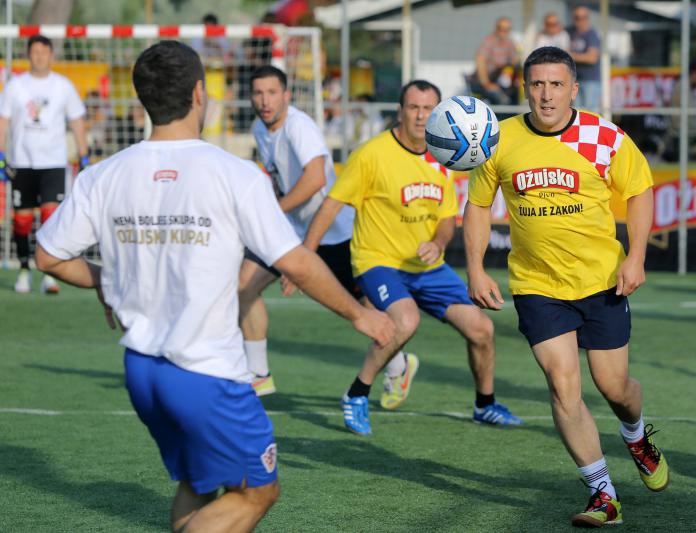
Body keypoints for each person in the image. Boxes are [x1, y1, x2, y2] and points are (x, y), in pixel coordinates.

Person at [34, 41, 393, 532]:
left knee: (198, 483)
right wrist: (362, 314)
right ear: (199, 93)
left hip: (141, 371)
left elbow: (48, 256)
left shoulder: (103, 175)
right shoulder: (234, 174)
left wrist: (105, 282)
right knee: (257, 492)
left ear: (144, 98)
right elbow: (298, 263)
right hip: (206, 374)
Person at [463, 47, 668, 527]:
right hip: (537, 284)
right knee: (562, 384)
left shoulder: (603, 136)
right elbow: (477, 205)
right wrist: (474, 268)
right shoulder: (499, 139)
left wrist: (636, 256)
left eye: (556, 84)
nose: (546, 94)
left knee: (614, 387)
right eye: (537, 84)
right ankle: (603, 495)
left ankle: (636, 435)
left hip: (602, 282)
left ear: (574, 89)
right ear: (525, 88)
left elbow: (639, 191)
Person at [304, 79, 522, 436]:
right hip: (378, 262)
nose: (421, 116)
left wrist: (438, 243)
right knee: (405, 321)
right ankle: (357, 393)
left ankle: (485, 405)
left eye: (428, 109)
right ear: (401, 111)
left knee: (482, 329)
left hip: (427, 267)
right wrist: (306, 256)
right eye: (414, 107)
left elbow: (447, 221)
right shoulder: (372, 154)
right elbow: (331, 205)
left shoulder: (445, 155)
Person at [240, 65, 407, 398]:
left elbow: (315, 178)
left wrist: (276, 210)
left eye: (272, 92)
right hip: (288, 230)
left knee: (357, 307)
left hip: (333, 230)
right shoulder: (260, 127)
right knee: (243, 286)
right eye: (258, 93)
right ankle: (258, 374)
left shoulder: (299, 127)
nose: (265, 100)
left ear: (287, 95)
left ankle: (398, 364)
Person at [0, 34, 89, 294]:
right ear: (29, 55)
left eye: (43, 52)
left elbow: (77, 121)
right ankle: (25, 270)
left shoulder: (63, 86)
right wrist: (1, 154)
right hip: (22, 163)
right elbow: (3, 122)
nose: (39, 56)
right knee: (22, 221)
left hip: (53, 163)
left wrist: (83, 155)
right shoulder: (15, 86)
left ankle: (48, 272)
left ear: (51, 55)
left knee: (51, 217)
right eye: (35, 52)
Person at [469, 17, 521, 106]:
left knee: (516, 94)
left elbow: (515, 62)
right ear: (496, 28)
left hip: (498, 81)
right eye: (501, 28)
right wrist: (487, 84)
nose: (504, 32)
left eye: (507, 29)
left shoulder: (510, 42)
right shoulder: (489, 41)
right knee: (501, 99)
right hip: (482, 82)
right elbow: (480, 61)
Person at [568, 6, 601, 112]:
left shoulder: (592, 34)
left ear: (587, 18)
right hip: (574, 80)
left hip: (590, 80)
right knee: (576, 113)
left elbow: (592, 58)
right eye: (577, 17)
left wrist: (570, 55)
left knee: (590, 114)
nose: (580, 20)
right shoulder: (570, 32)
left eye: (583, 17)